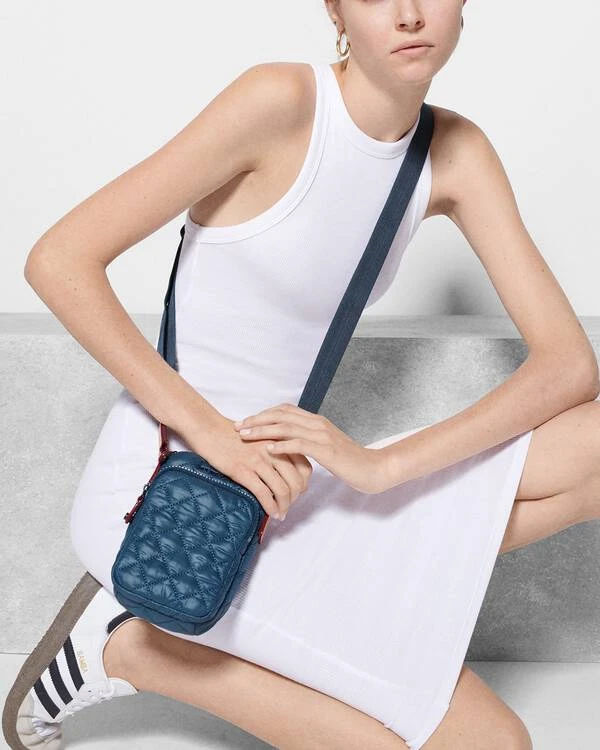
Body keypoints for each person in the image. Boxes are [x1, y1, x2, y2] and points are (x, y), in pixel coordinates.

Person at [5, 1, 600, 749]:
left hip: (292, 492)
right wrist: (214, 434)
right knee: (493, 746)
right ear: (336, 8)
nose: (410, 15)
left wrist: (382, 468)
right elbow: (59, 260)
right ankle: (124, 648)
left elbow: (569, 365)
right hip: (177, 499)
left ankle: (364, 583)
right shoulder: (280, 103)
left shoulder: (456, 152)